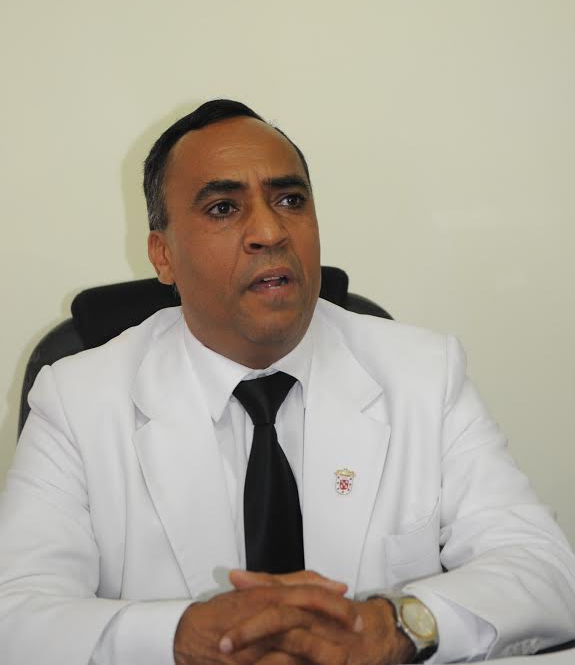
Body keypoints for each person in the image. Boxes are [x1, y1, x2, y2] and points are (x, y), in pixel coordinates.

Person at [1, 99, 574, 665]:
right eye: (224, 208)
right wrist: (180, 638)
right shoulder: (77, 401)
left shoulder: (426, 373)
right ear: (163, 255)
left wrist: (391, 625)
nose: (270, 230)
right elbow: (14, 613)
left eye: (290, 200)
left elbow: (545, 570)